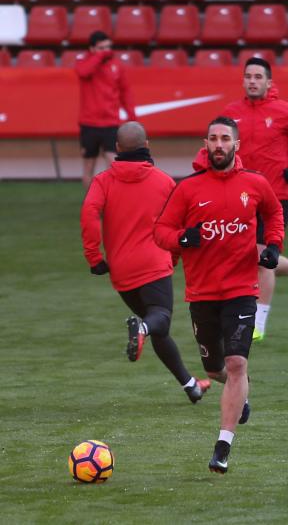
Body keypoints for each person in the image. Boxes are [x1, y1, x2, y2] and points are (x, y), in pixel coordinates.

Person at [153, 116, 285, 474]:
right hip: (202, 293)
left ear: (236, 145)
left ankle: (222, 446)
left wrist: (273, 246)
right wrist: (182, 239)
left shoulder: (255, 183)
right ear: (206, 144)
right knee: (215, 367)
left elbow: (273, 213)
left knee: (236, 363)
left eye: (225, 138)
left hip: (242, 290)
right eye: (213, 138)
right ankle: (239, 394)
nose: (219, 144)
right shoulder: (188, 188)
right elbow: (161, 230)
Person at [80, 121, 210, 403]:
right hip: (154, 263)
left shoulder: (103, 181)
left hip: (122, 270)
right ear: (147, 146)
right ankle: (141, 329)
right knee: (158, 320)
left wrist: (94, 257)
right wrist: (174, 256)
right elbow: (180, 225)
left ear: (117, 149)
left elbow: (89, 213)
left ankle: (191, 386)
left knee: (156, 325)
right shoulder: (164, 182)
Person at [220, 57, 288, 342]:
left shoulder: (285, 112)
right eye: (248, 76)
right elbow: (219, 147)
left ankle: (257, 323)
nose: (252, 81)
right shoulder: (230, 112)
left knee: (262, 256)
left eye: (258, 77)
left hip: (277, 195)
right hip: (240, 195)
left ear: (269, 82)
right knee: (250, 255)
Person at [75, 30, 136, 189]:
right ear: (92, 49)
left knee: (114, 164)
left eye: (109, 47)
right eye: (102, 48)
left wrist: (132, 116)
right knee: (89, 166)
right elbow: (83, 72)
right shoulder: (84, 61)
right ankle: (90, 205)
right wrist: (99, 57)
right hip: (89, 124)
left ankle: (114, 203)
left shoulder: (117, 65)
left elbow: (125, 92)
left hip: (111, 123)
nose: (107, 51)